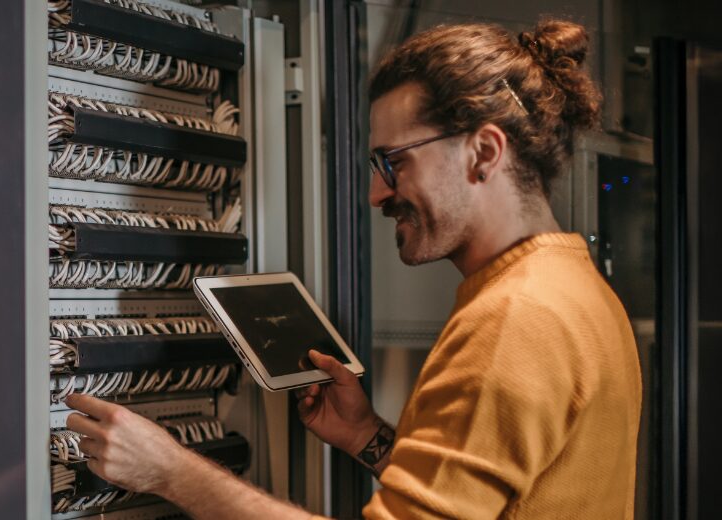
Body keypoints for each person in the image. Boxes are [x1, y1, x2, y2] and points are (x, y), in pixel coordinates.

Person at [66, 18, 641, 519]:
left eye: (393, 162)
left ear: (484, 152)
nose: (374, 193)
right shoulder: (574, 287)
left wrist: (171, 470)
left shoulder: (515, 319)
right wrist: (366, 435)